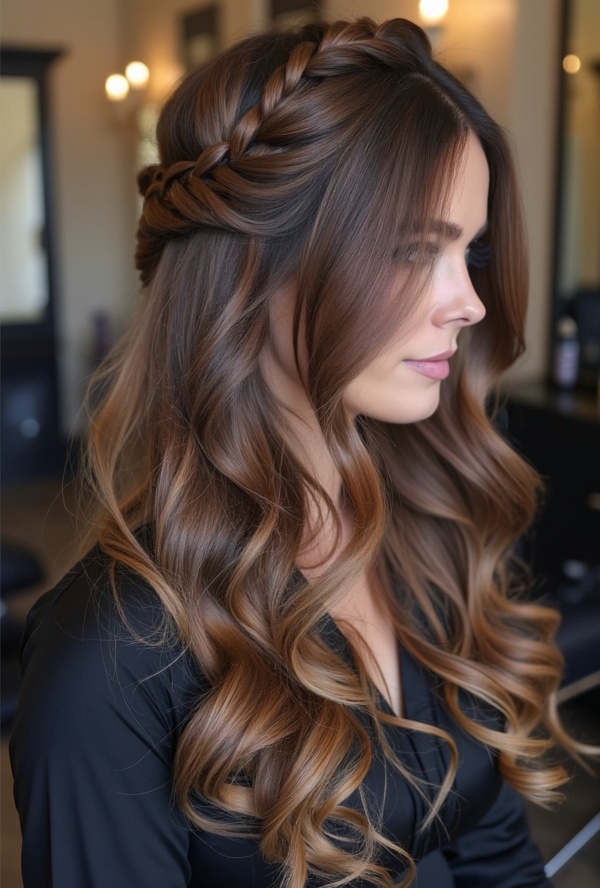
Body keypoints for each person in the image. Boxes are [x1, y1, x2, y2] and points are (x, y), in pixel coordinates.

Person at [10, 17, 585, 888]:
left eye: (468, 251)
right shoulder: (111, 664)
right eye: (414, 248)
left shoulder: (423, 535)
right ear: (256, 263)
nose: (469, 301)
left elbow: (497, 856)